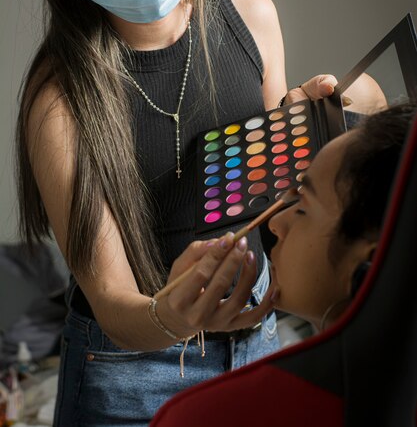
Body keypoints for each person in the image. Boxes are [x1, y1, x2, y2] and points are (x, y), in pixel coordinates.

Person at [17, 0, 339, 424]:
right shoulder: (57, 99)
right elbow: (112, 302)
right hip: (125, 377)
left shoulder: (251, 15)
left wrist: (337, 123)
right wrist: (177, 313)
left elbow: (278, 198)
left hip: (258, 345)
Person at [149, 101, 416, 427]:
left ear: (369, 263)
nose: (275, 224)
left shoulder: (200, 417)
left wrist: (167, 319)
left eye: (302, 207)